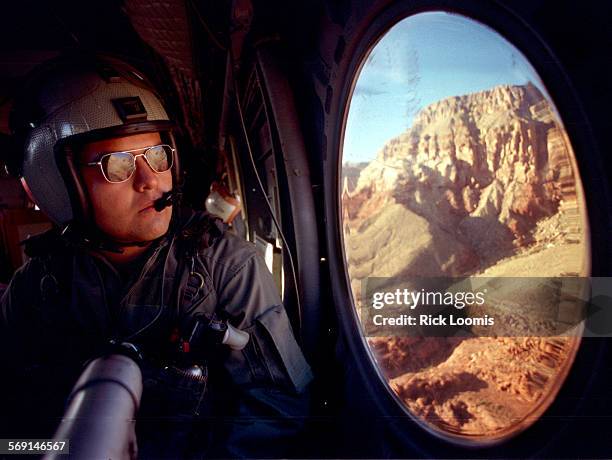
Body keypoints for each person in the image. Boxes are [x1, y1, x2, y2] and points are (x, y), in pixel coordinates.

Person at [0, 54, 312, 458]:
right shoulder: (35, 288)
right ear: (55, 185)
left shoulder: (225, 265)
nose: (151, 182)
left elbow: (278, 408)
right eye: (118, 165)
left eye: (158, 155)